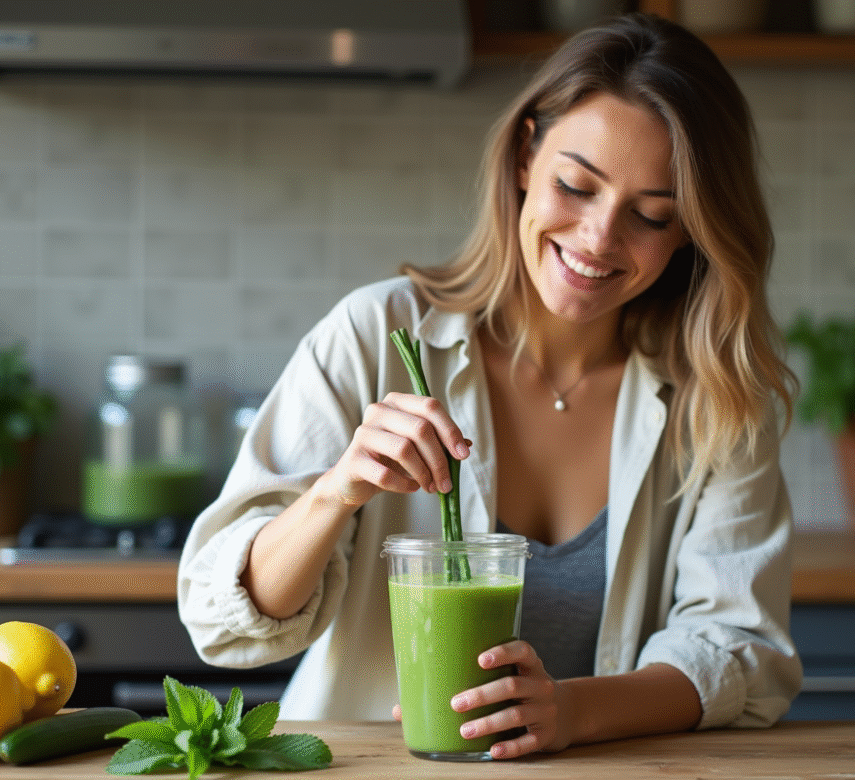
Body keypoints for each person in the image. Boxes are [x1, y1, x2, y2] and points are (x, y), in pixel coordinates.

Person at [179, 12, 801, 760]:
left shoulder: (718, 396)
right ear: (524, 156)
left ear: (691, 232)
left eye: (649, 215)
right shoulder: (377, 336)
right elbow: (223, 622)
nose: (600, 238)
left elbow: (739, 647)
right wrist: (335, 490)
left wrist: (570, 712)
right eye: (576, 185)